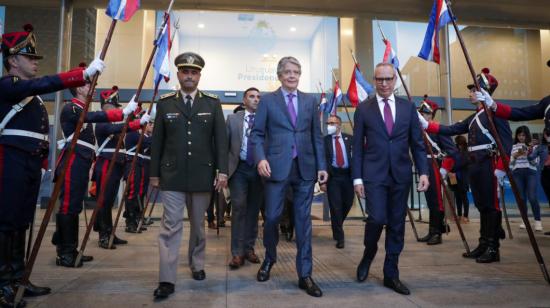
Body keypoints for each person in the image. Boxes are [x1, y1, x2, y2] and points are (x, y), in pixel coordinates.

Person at [0, 24, 104, 306]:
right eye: (29, 57)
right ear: (12, 61)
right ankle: (3, 283)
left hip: (29, 163)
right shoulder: (9, 85)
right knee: (7, 222)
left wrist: (44, 161)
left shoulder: (28, 93)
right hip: (9, 162)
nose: (35, 62)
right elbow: (41, 84)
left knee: (22, 220)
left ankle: (18, 277)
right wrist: (80, 75)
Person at [150, 52, 228, 300]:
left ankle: (197, 263)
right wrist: (154, 174)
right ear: (179, 74)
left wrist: (222, 171)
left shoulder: (212, 103)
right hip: (171, 176)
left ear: (199, 76)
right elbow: (157, 143)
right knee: (170, 227)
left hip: (202, 175)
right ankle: (166, 279)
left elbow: (221, 141)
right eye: (185, 72)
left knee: (198, 226)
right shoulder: (165, 103)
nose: (189, 76)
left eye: (194, 72)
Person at [251, 56, 327, 297]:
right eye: (287, 72)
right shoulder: (267, 101)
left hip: (304, 168)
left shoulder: (309, 101)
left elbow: (317, 135)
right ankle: (270, 257)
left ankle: (305, 274)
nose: (292, 75)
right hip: (275, 167)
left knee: (303, 222)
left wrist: (322, 166)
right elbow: (257, 134)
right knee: (272, 217)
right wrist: (261, 158)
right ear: (280, 75)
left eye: (296, 71)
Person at [352, 62, 429, 295]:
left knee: (396, 224)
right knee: (376, 218)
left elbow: (417, 144)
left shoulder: (408, 108)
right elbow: (357, 147)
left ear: (395, 80)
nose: (384, 83)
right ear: (374, 81)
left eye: (388, 79)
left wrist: (424, 171)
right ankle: (368, 254)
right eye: (379, 79)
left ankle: (391, 274)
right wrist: (357, 179)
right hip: (373, 175)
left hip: (401, 175)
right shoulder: (364, 109)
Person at [53, 63, 138, 267]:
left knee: (74, 205)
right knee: (68, 205)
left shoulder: (80, 108)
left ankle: (70, 249)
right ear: (81, 87)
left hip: (82, 161)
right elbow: (93, 117)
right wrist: (122, 113)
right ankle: (65, 251)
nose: (92, 87)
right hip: (73, 160)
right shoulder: (72, 107)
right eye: (90, 83)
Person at [419, 84, 512, 264]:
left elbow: (506, 142)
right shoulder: (475, 116)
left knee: (490, 206)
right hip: (475, 164)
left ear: (484, 92)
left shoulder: (495, 113)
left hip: (488, 162)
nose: (469, 94)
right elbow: (453, 129)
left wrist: (502, 167)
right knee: (482, 205)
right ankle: (483, 244)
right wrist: (427, 125)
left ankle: (493, 248)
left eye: (473, 91)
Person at [93, 87, 147, 249]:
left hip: (116, 164)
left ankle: (109, 232)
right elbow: (116, 129)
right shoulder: (103, 120)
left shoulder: (113, 121)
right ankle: (103, 235)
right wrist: (136, 123)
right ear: (105, 106)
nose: (115, 110)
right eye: (113, 107)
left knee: (109, 201)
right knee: (103, 200)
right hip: (106, 163)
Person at [226, 87, 263, 269]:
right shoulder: (232, 119)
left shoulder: (266, 121)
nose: (256, 99)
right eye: (252, 96)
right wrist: (222, 172)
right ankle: (237, 253)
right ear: (244, 99)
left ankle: (249, 249)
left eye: (258, 97)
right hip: (238, 169)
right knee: (239, 207)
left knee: (253, 211)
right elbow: (224, 146)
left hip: (258, 170)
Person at [417, 99, 457, 245]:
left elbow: (452, 152)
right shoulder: (418, 130)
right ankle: (433, 230)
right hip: (424, 166)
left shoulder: (438, 129)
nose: (421, 116)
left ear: (431, 115)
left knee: (436, 201)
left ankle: (437, 233)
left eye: (424, 113)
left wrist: (444, 169)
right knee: (430, 200)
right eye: (420, 113)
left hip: (435, 165)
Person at [320, 115, 354, 249]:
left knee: (348, 203)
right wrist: (322, 181)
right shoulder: (324, 141)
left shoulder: (350, 138)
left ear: (339, 125)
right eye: (328, 123)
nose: (329, 125)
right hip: (333, 177)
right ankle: (340, 237)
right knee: (335, 207)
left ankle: (336, 224)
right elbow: (322, 161)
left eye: (332, 123)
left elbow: (356, 157)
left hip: (348, 177)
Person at [123, 120, 154, 233]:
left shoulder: (136, 133)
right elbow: (146, 141)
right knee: (132, 193)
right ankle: (130, 222)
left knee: (137, 192)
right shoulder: (132, 133)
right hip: (132, 164)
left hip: (137, 163)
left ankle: (135, 220)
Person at [510, 126, 543, 231]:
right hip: (517, 173)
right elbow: (510, 165)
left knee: (532, 197)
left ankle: (538, 221)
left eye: (523, 135)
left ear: (527, 135)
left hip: (530, 173)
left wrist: (529, 154)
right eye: (519, 135)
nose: (521, 137)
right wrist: (515, 157)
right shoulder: (514, 146)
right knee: (521, 198)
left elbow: (536, 162)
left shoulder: (533, 146)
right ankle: (524, 220)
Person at [449, 135, 470, 223]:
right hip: (454, 177)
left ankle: (465, 216)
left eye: (458, 143)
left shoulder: (467, 151)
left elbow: (462, 163)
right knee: (457, 196)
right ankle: (459, 215)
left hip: (463, 177)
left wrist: (452, 170)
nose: (457, 145)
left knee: (464, 196)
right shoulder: (456, 151)